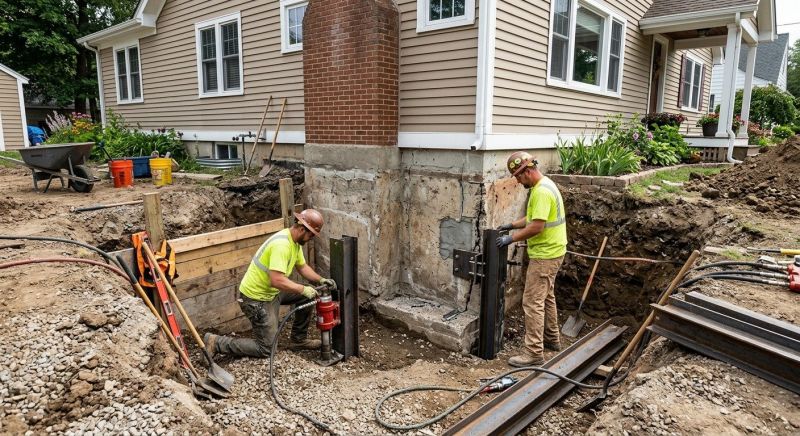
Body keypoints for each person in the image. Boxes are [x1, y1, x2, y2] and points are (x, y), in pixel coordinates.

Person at [204, 209, 336, 358]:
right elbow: (276, 280)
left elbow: (302, 267)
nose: (311, 238)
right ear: (301, 229)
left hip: (272, 292)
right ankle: (216, 342)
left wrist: (320, 280)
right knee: (266, 349)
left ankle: (298, 340)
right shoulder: (282, 245)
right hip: (256, 299)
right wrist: (301, 289)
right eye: (311, 234)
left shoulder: (295, 243)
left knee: (310, 294)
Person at [496, 152, 568, 367]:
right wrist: (512, 225)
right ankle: (552, 339)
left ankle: (534, 353)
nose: (518, 182)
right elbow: (534, 217)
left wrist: (511, 239)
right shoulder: (545, 185)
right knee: (546, 297)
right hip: (555, 251)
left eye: (518, 177)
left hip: (545, 255)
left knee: (532, 302)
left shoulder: (541, 192)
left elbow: (537, 226)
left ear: (527, 171)